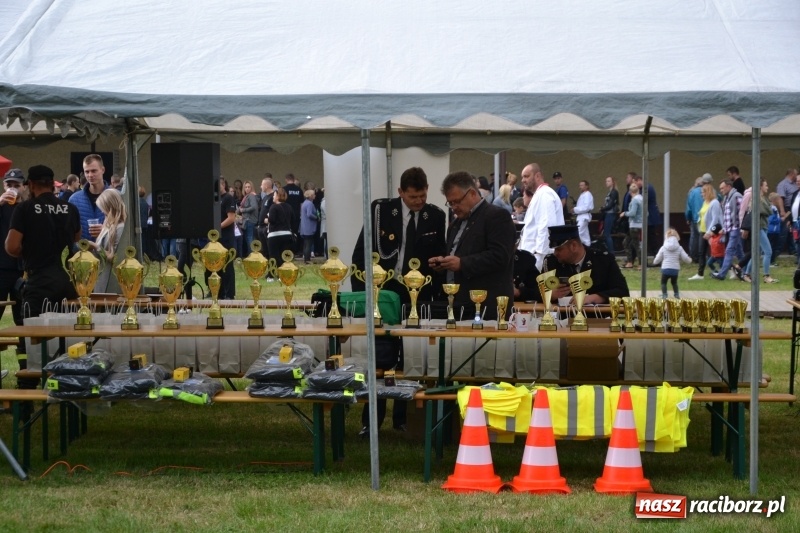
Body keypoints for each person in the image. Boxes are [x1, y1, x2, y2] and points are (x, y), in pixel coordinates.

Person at [351, 166, 446, 307]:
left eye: (423, 196)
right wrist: (361, 293)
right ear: (400, 192)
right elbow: (361, 253)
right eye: (413, 197)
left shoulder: (436, 216)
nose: (419, 201)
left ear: (427, 188)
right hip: (384, 286)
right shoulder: (381, 210)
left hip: (420, 291)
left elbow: (441, 255)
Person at [428, 171, 514, 321]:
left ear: (473, 193)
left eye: (457, 201)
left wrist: (462, 263)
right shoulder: (454, 225)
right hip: (458, 307)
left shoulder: (497, 216)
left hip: (488, 308)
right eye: (450, 203)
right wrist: (444, 264)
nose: (454, 207)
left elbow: (500, 256)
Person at [6, 164, 80, 319]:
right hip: (67, 281)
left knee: (33, 329)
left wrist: (30, 250)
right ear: (52, 184)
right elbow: (76, 240)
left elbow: (12, 247)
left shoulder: (24, 208)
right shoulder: (71, 209)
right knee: (65, 328)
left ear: (31, 185)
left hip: (39, 281)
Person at [539, 225, 629, 305]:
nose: (555, 253)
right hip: (564, 316)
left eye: (559, 249)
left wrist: (594, 298)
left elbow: (622, 292)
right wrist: (550, 295)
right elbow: (536, 293)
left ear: (573, 246)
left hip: (596, 316)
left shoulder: (603, 260)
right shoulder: (551, 262)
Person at [518, 163, 564, 270]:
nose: (523, 180)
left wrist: (539, 258)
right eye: (522, 177)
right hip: (532, 256)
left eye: (526, 176)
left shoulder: (545, 194)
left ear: (537, 176)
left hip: (539, 258)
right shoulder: (540, 194)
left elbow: (546, 226)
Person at [88, 189, 127, 293]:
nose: (102, 211)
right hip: (101, 277)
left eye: (103, 208)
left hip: (110, 280)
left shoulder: (120, 228)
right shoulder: (109, 225)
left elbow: (116, 258)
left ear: (110, 207)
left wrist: (95, 246)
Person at [742, 178, 778, 284]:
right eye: (765, 185)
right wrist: (767, 209)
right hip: (759, 228)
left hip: (764, 226)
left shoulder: (763, 199)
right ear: (760, 187)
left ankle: (746, 274)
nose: (767, 187)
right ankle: (766, 276)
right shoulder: (756, 199)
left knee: (756, 253)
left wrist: (767, 209)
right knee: (768, 251)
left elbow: (769, 210)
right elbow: (767, 210)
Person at [0, 169, 24, 322]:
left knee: (22, 316)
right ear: (4, 186)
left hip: (22, 269)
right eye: (9, 185)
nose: (12, 189)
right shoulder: (1, 206)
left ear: (24, 187)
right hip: (1, 268)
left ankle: (22, 342)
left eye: (17, 185)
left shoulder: (27, 208)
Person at [69, 153, 109, 241]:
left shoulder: (115, 197)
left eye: (94, 171)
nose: (90, 175)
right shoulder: (74, 199)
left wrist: (106, 230)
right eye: (87, 172)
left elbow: (125, 227)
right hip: (82, 248)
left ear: (103, 170)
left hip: (108, 248)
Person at [711, 179, 744, 280]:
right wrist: (725, 228)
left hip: (735, 228)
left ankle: (722, 274)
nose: (721, 190)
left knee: (729, 250)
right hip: (730, 229)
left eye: (722, 188)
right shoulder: (726, 198)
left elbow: (742, 212)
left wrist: (741, 227)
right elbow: (726, 215)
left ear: (729, 187)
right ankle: (746, 271)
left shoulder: (736, 196)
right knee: (739, 252)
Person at [689, 183, 722, 280]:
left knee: (717, 253)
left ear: (708, 192)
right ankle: (700, 274)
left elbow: (715, 219)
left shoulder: (714, 203)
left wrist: (710, 232)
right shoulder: (705, 202)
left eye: (703, 192)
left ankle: (728, 269)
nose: (701, 194)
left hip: (711, 232)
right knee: (701, 252)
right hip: (702, 230)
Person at [213, 177, 237, 299]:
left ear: (223, 185)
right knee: (216, 265)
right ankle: (219, 292)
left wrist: (217, 227)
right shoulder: (215, 199)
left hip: (226, 236)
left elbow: (231, 218)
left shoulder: (228, 198)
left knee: (227, 265)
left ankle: (229, 293)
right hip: (216, 238)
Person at [653, 228, 692, 299]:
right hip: (675, 269)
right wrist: (690, 260)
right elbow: (685, 258)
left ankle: (664, 294)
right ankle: (676, 294)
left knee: (663, 282)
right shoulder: (679, 248)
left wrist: (654, 262)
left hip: (665, 268)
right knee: (674, 282)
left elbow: (658, 258)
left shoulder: (663, 248)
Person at [266, 187, 295, 268]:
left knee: (273, 256)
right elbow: (293, 220)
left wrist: (266, 220)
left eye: (274, 195)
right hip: (287, 234)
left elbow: (272, 220)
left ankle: (272, 273)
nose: (273, 196)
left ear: (278, 196)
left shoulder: (273, 207)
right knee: (284, 256)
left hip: (274, 235)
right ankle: (284, 271)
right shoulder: (289, 206)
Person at [685, 174, 711, 263]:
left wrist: (688, 218)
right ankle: (706, 256)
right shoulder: (710, 190)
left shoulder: (692, 192)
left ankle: (693, 256)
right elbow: (718, 199)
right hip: (707, 218)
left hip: (695, 218)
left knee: (694, 237)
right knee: (705, 237)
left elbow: (689, 208)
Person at [619, 183, 643, 269]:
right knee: (628, 243)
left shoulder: (635, 200)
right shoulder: (642, 199)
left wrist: (624, 213)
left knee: (635, 244)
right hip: (640, 224)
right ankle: (630, 262)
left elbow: (632, 213)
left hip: (634, 225)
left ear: (630, 192)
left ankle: (640, 264)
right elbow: (646, 213)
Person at [237, 180, 260, 255]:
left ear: (251, 188)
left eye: (249, 187)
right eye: (245, 187)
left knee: (249, 238)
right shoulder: (246, 196)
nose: (247, 188)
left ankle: (251, 255)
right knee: (249, 238)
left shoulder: (251, 196)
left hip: (250, 220)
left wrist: (243, 210)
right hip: (247, 220)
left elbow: (254, 207)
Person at [598, 176, 619, 254]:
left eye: (608, 181)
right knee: (606, 234)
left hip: (610, 213)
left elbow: (610, 205)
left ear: (613, 182)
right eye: (606, 181)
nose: (606, 182)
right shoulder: (610, 192)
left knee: (607, 234)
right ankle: (610, 252)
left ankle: (611, 253)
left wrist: (602, 208)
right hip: (608, 213)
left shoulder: (614, 192)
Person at [571, 180, 594, 247]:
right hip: (581, 216)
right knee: (585, 235)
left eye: (582, 185)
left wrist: (575, 209)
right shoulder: (583, 195)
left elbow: (586, 207)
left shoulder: (587, 194)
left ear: (586, 186)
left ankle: (581, 247)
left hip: (584, 217)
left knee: (578, 232)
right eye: (579, 185)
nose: (580, 187)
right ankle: (587, 247)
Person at [299, 189, 318, 263]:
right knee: (309, 243)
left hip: (304, 227)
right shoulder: (310, 204)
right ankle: (307, 259)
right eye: (314, 194)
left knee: (306, 243)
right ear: (311, 196)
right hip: (309, 227)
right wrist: (316, 217)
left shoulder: (304, 203)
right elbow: (309, 214)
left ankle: (306, 258)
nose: (315, 196)